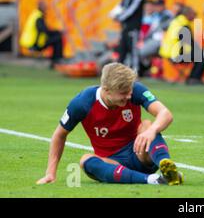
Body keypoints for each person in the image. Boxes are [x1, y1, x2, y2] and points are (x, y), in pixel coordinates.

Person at [36, 62, 183, 185]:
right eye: (123, 93)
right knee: (85, 160)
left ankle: (166, 165)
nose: (129, 95)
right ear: (106, 91)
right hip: (112, 163)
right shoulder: (82, 103)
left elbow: (165, 114)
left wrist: (151, 131)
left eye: (130, 90)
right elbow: (59, 135)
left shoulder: (135, 90)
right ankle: (154, 180)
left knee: (147, 125)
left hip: (140, 154)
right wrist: (50, 173)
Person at [111, 0, 147, 71]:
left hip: (133, 24)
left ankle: (135, 71)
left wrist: (121, 17)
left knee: (133, 49)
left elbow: (134, 7)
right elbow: (123, 4)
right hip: (126, 24)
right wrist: (114, 13)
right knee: (122, 48)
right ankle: (118, 73)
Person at [19, 0, 64, 68]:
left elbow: (45, 30)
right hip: (34, 43)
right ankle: (56, 61)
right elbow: (44, 31)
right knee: (58, 38)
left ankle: (56, 61)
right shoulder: (38, 17)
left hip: (32, 42)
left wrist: (56, 32)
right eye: (45, 6)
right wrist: (58, 32)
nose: (46, 8)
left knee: (56, 37)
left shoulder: (35, 14)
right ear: (40, 7)